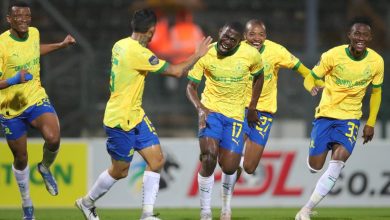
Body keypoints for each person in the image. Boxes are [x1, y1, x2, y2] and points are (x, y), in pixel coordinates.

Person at [75, 9, 212, 220]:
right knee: (120, 171)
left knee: (157, 160)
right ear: (151, 31)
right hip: (120, 119)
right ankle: (87, 202)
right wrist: (197, 55)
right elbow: (177, 72)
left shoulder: (119, 45)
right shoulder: (139, 53)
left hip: (135, 115)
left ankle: (147, 214)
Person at [219, 19, 324, 216]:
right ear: (244, 36)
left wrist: (314, 83)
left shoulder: (277, 51)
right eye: (252, 34)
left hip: (263, 114)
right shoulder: (236, 49)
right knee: (229, 161)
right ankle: (226, 208)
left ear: (265, 36)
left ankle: (236, 166)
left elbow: (300, 68)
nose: (256, 38)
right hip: (238, 110)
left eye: (260, 34)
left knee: (249, 167)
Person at [295, 18, 383, 220]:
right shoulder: (332, 55)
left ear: (370, 38)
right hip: (326, 115)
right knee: (315, 166)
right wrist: (313, 86)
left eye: (364, 35)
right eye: (357, 34)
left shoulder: (377, 61)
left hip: (350, 118)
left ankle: (305, 210)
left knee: (338, 162)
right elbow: (310, 77)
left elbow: (376, 93)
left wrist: (370, 122)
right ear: (349, 36)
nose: (360, 38)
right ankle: (312, 159)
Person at [0, 1, 76, 220]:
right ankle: (27, 207)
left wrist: (60, 45)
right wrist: (14, 79)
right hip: (10, 108)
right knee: (21, 158)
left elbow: (35, 50)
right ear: (9, 20)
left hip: (35, 98)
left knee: (53, 138)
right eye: (19, 17)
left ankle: (44, 167)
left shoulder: (34, 33)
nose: (24, 20)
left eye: (27, 16)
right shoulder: (2, 45)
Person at [186, 22, 264, 220]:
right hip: (211, 112)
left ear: (239, 42)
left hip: (236, 116)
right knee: (210, 157)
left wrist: (252, 107)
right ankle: (205, 212)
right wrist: (201, 109)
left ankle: (226, 206)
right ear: (219, 32)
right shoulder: (207, 54)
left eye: (233, 39)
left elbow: (259, 77)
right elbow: (191, 87)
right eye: (225, 36)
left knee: (229, 167)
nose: (227, 41)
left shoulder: (251, 55)